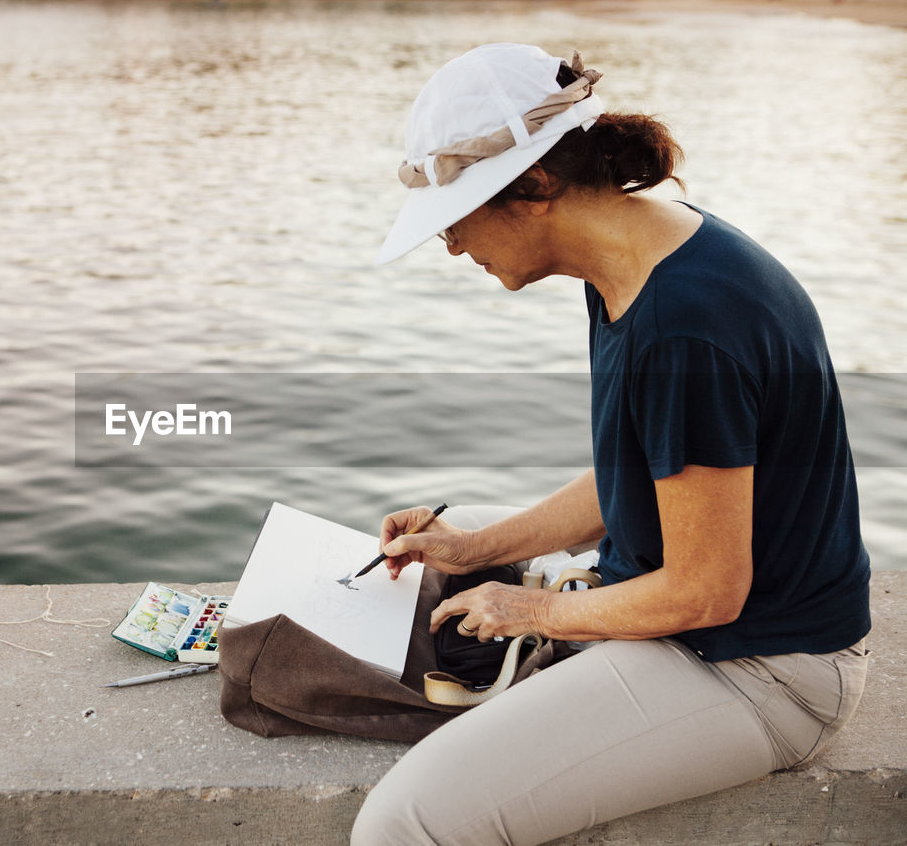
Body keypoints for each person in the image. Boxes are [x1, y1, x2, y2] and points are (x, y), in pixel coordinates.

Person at [352, 43, 871, 845]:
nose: (452, 247)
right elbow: (645, 475)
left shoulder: (683, 328)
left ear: (534, 188)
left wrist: (528, 607)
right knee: (459, 555)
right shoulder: (643, 259)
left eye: (455, 220)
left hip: (758, 668)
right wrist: (475, 546)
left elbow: (707, 592)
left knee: (398, 822)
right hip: (723, 624)